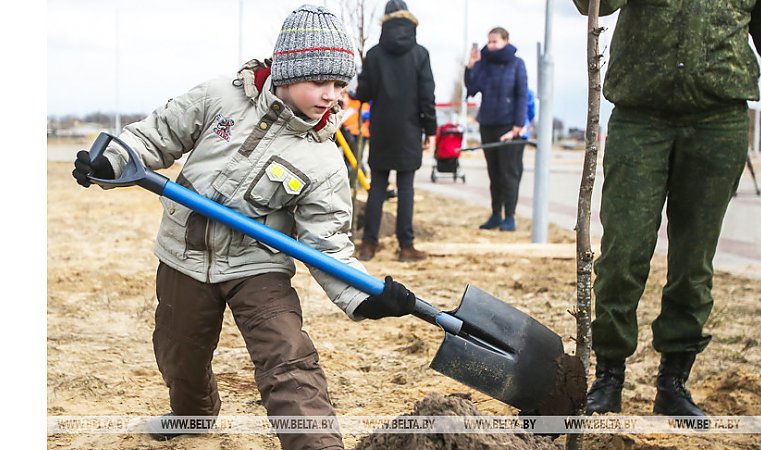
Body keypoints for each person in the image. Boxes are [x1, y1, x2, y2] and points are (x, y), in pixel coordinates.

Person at [71, 6, 418, 449]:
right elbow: (153, 137)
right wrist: (111, 161)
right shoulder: (221, 98)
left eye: (339, 84)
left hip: (258, 265)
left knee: (288, 357)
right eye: (319, 82)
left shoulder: (324, 157)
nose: (331, 95)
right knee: (180, 356)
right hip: (184, 257)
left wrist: (368, 299)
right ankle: (192, 417)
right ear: (288, 71)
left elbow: (328, 244)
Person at [571, 0, 761, 417]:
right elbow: (593, 4)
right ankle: (608, 376)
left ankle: (673, 382)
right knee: (622, 255)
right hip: (639, 117)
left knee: (693, 262)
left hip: (718, 123)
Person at [353, 0, 436, 262]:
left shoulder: (375, 54)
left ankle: (368, 245)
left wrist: (356, 91)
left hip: (382, 127)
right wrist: (430, 129)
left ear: (385, 21)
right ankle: (406, 247)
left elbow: (364, 93)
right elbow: (427, 96)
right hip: (410, 128)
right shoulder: (420, 54)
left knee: (377, 186)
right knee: (406, 188)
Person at [465, 26, 528, 232]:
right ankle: (495, 214)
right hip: (488, 124)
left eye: (495, 41)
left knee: (508, 173)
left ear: (506, 41)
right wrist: (470, 67)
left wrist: (518, 125)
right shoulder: (484, 64)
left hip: (508, 126)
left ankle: (510, 216)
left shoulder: (517, 64)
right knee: (493, 173)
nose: (490, 45)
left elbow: (521, 94)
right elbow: (472, 89)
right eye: (489, 41)